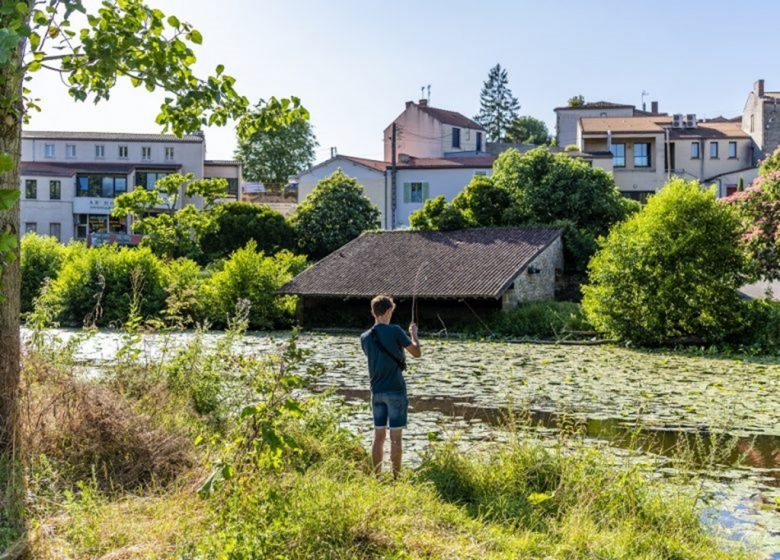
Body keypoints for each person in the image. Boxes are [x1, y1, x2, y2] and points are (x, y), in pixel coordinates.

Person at [360, 294, 421, 478]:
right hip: (395, 391)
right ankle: (396, 478)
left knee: (378, 437)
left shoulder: (364, 337)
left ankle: (377, 477)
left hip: (376, 392)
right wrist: (414, 334)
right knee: (396, 439)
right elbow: (416, 353)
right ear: (388, 311)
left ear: (373, 312)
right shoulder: (395, 330)